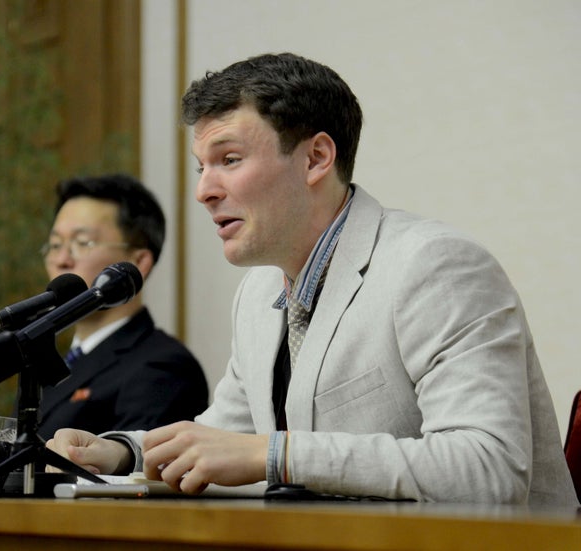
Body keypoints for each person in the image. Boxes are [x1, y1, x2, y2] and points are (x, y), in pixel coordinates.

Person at [46, 54, 578, 505]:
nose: (204, 190)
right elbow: (220, 435)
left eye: (228, 159)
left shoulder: (436, 265)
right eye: (200, 167)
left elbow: (492, 469)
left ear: (316, 158)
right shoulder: (258, 292)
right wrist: (120, 452)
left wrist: (276, 453)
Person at [34, 174, 208, 440]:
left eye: (82, 243)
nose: (61, 260)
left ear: (137, 262)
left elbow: (136, 476)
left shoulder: (164, 368)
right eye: (56, 244)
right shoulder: (49, 365)